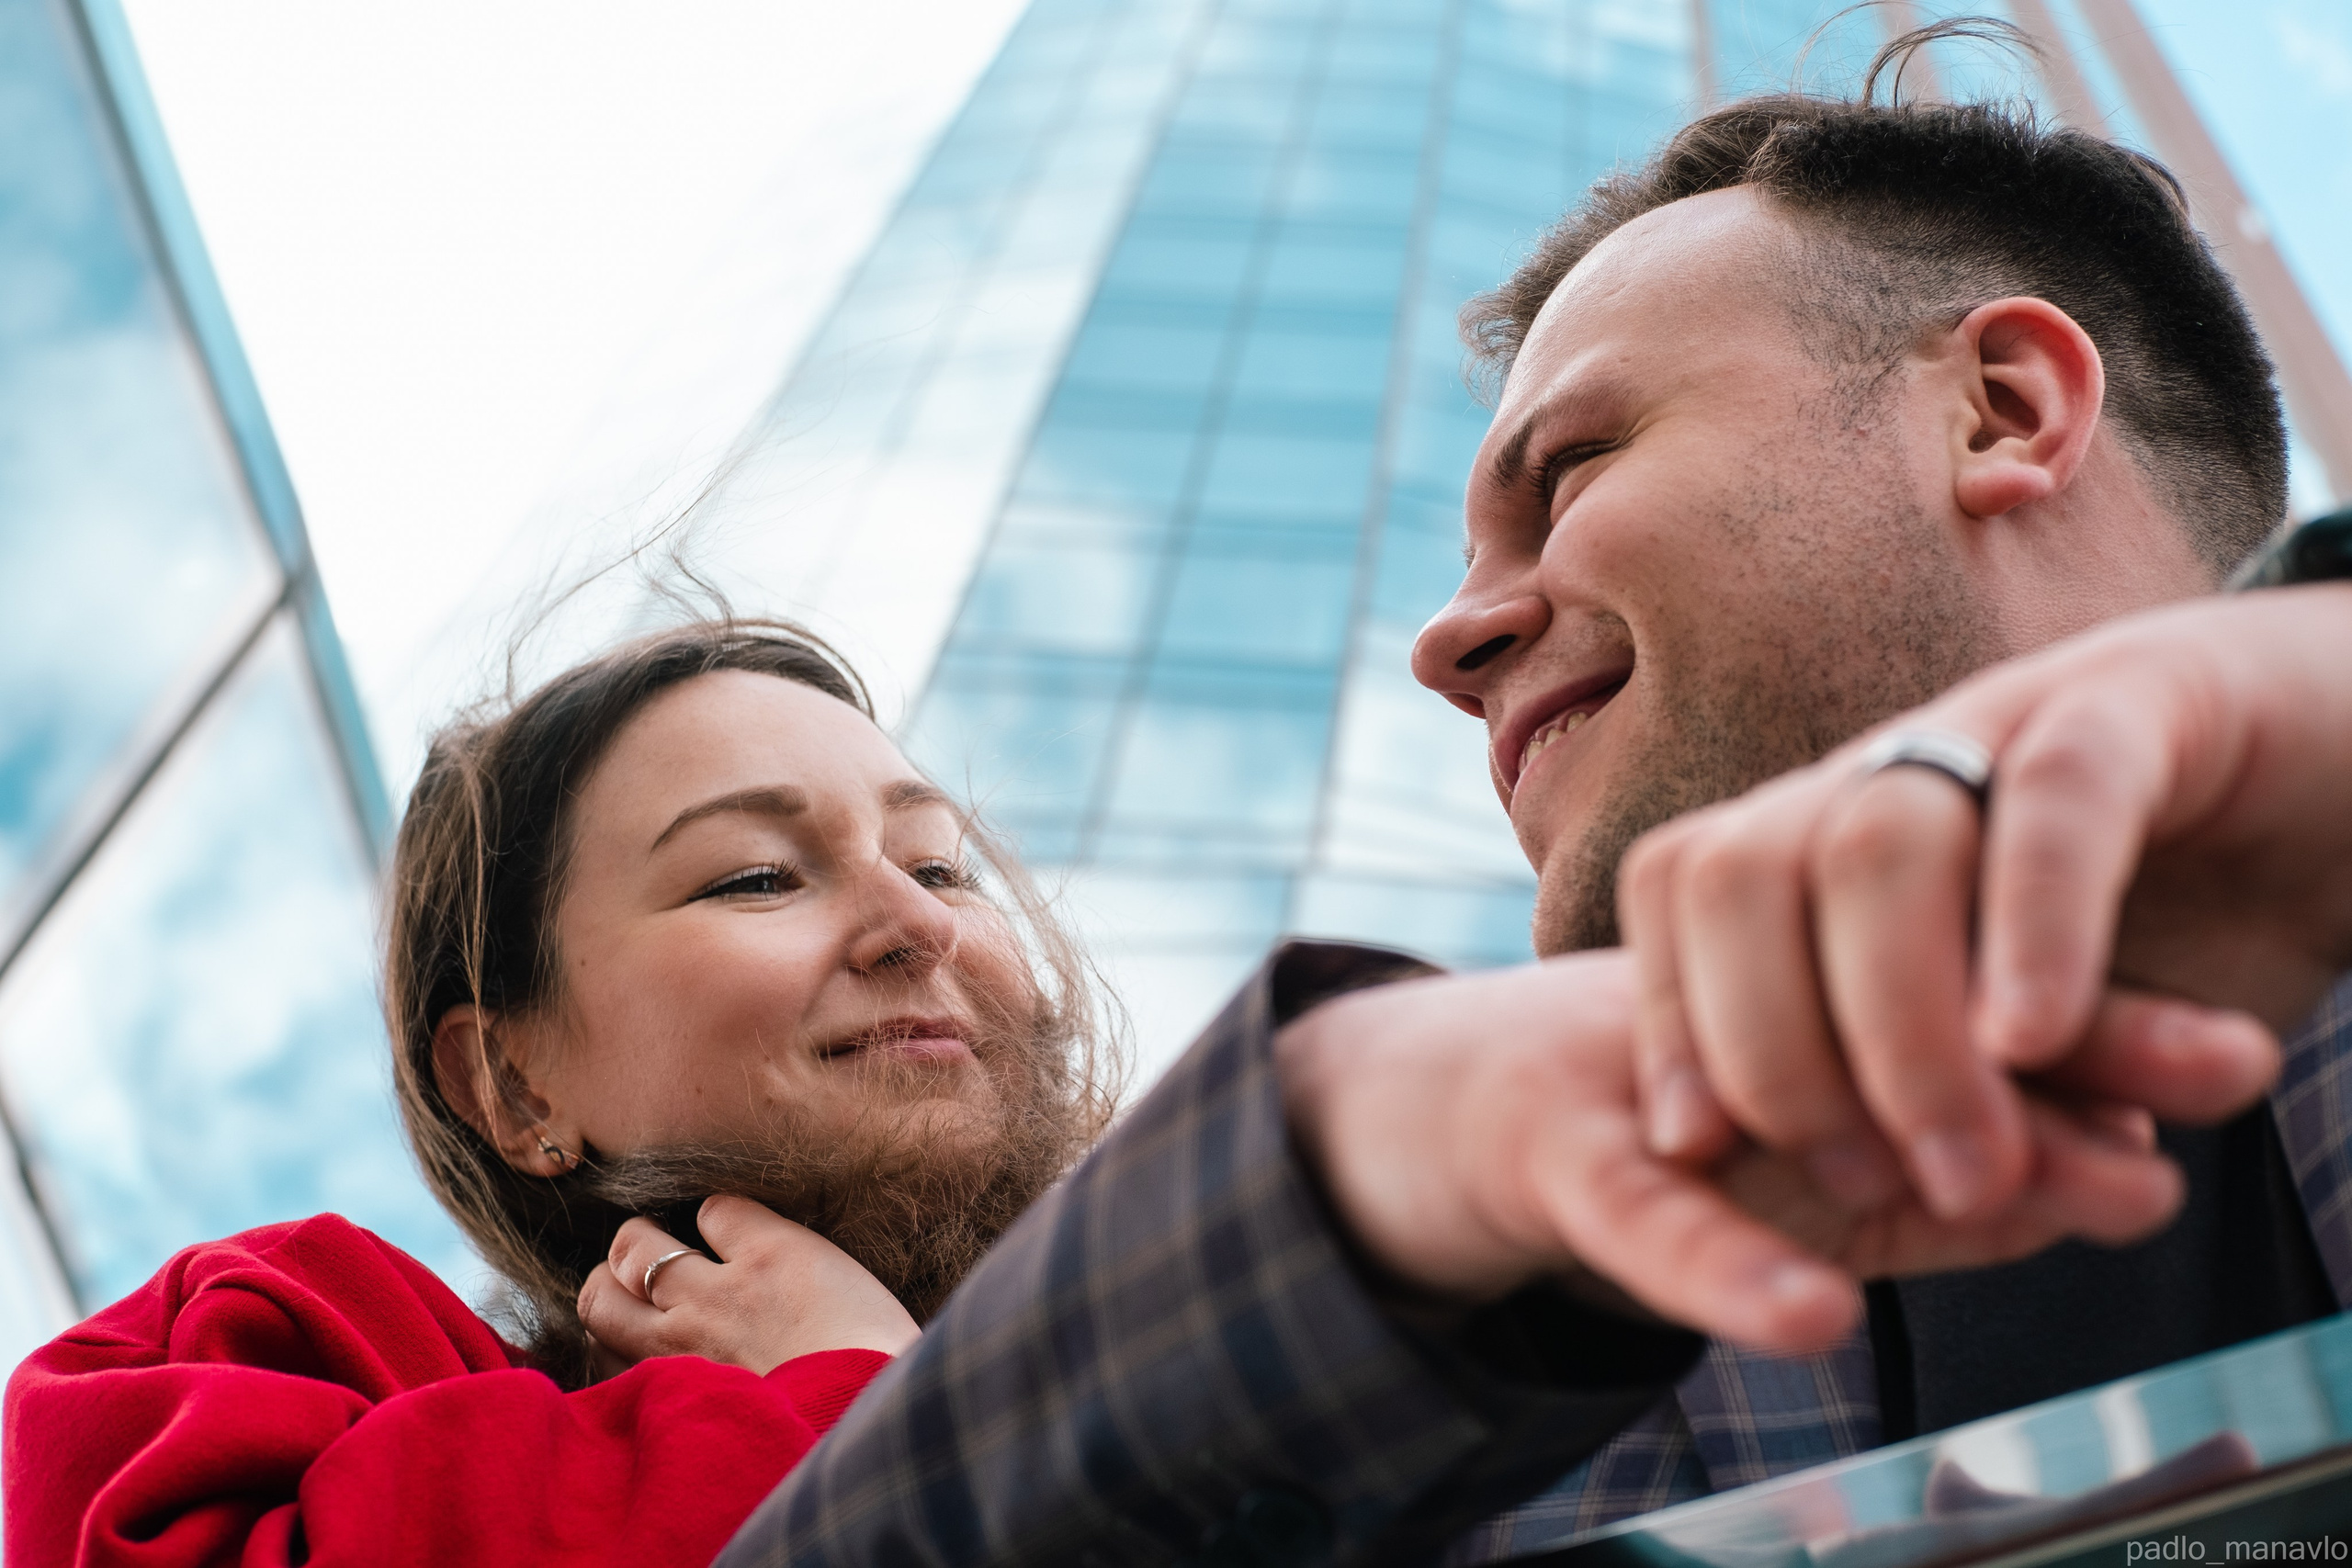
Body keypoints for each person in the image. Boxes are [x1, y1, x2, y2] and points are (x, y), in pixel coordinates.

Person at [711, 44, 2352, 1568]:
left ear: (2000, 406)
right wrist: (1349, 1156)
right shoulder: (1483, 1334)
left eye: (1567, 470)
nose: (1447, 640)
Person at [3, 620, 1119, 1568]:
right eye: (756, 876)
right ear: (513, 1087)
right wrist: (848, 1395)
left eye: (937, 866)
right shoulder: (269, 1339)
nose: (921, 924)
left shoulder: (1221, 1364)